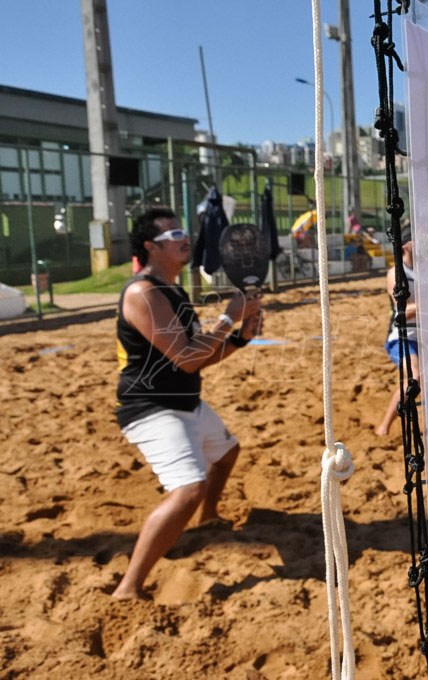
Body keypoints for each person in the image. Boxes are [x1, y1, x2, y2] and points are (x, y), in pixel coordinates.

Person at [112, 208, 262, 599]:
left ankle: (208, 518)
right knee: (188, 489)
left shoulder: (173, 290)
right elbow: (188, 357)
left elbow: (203, 355)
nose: (184, 237)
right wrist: (228, 318)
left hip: (183, 402)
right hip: (150, 409)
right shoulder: (142, 292)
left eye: (183, 231)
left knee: (227, 453)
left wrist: (240, 338)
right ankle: (129, 587)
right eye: (173, 232)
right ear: (150, 246)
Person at [376, 224, 419, 436]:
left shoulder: (427, 272)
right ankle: (384, 427)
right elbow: (401, 311)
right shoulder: (396, 273)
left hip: (427, 338)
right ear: (406, 246)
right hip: (403, 338)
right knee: (414, 378)